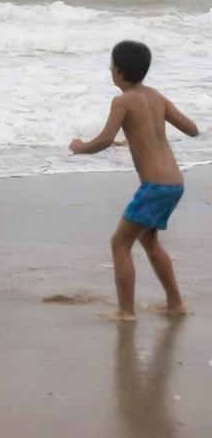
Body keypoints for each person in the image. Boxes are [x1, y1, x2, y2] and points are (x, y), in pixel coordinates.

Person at [69, 40, 199, 322]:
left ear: (117, 70)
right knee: (149, 241)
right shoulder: (157, 97)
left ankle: (126, 312)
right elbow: (192, 129)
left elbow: (103, 139)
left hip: (154, 187)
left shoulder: (123, 101)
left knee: (120, 243)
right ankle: (175, 303)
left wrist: (80, 147)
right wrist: (139, 137)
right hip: (174, 183)